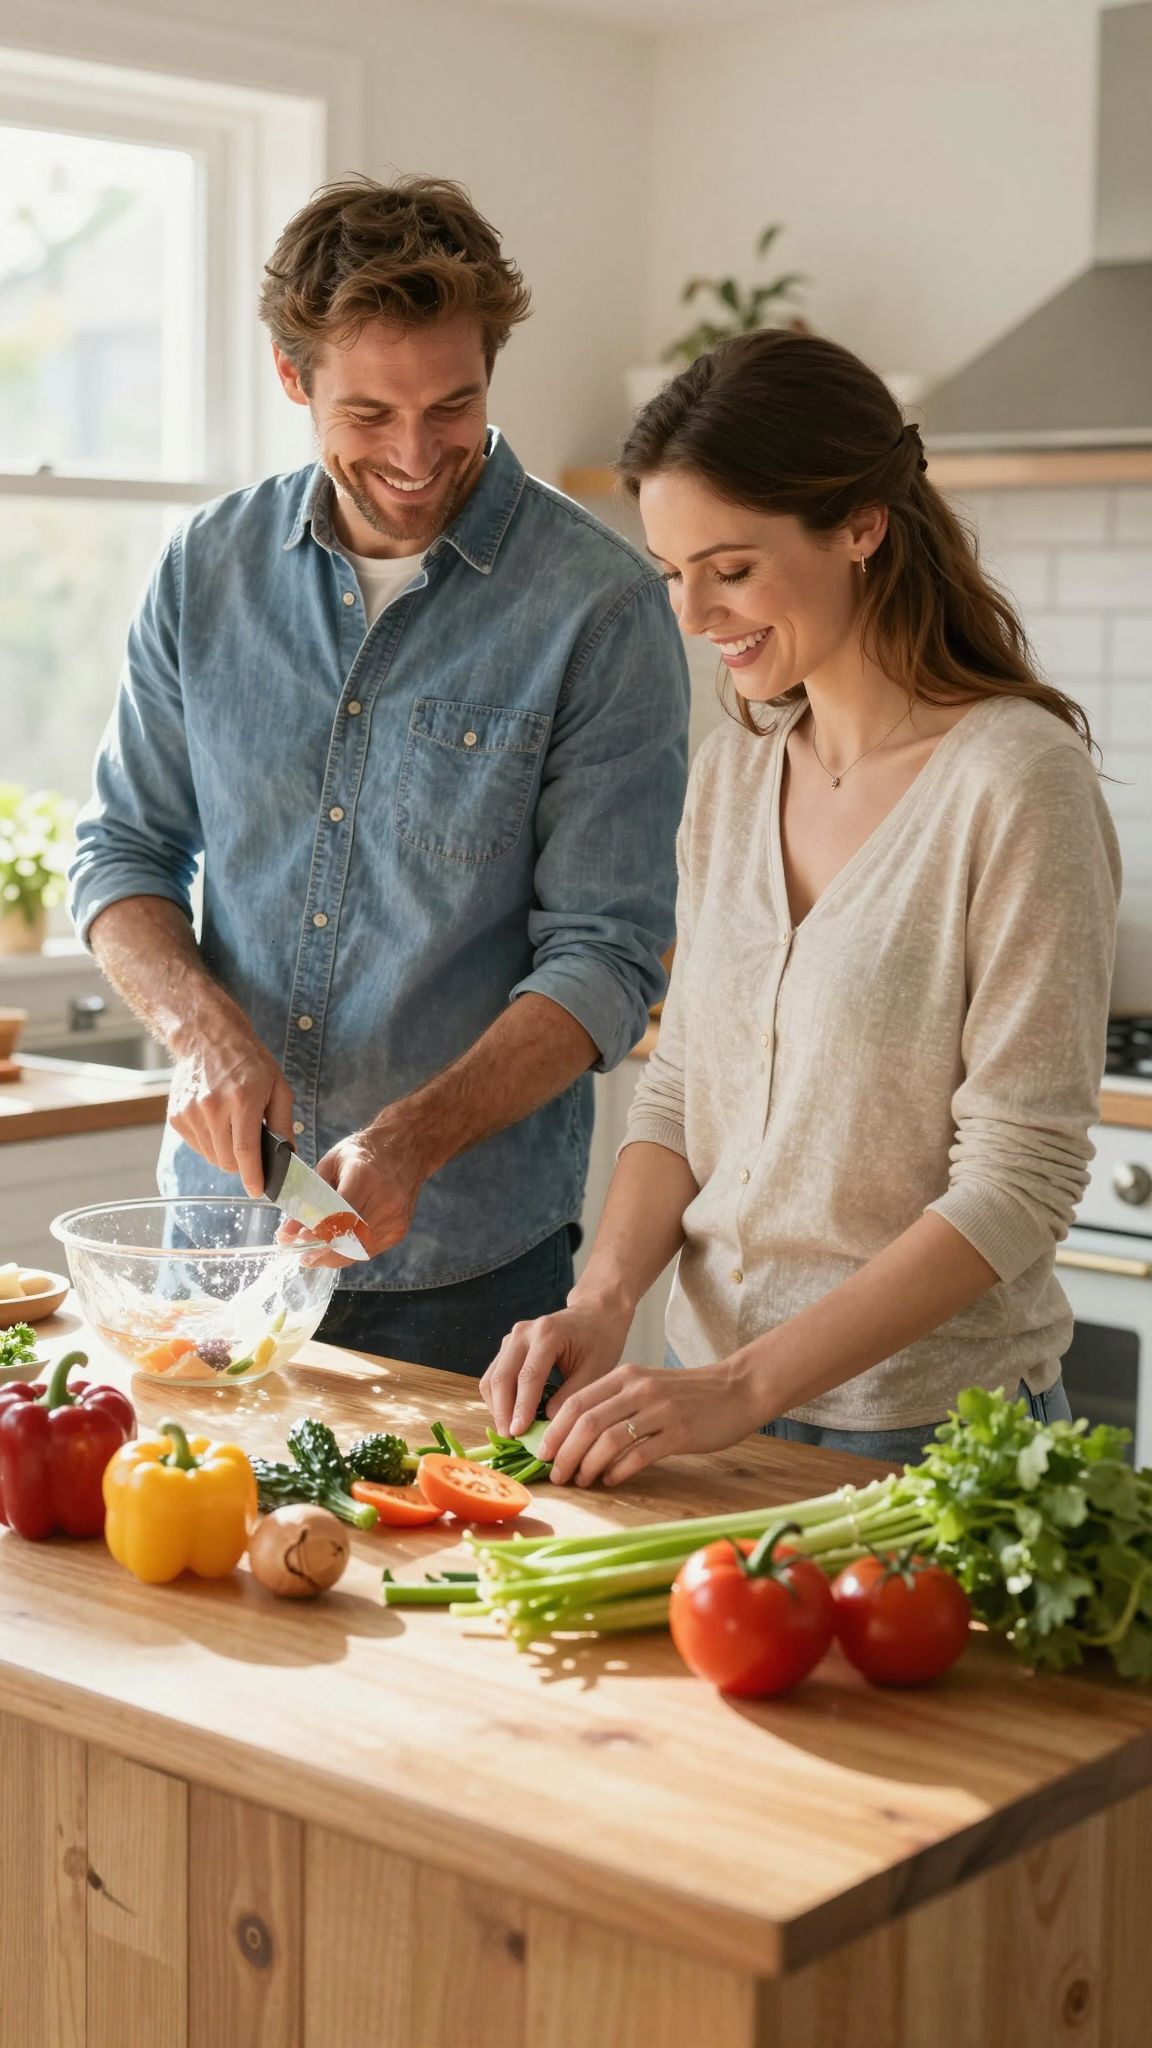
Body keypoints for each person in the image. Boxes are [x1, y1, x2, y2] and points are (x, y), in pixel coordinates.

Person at [69, 175, 689, 1377]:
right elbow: (124, 852)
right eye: (369, 413)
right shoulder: (207, 569)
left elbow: (606, 954)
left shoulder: (601, 608)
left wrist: (416, 1135)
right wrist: (200, 1033)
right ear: (294, 380)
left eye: (453, 405)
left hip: (467, 1273)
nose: (415, 455)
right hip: (215, 1247)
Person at [482, 327, 1120, 1482]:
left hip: (931, 1435)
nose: (693, 613)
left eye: (730, 569)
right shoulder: (735, 770)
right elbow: (681, 1087)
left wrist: (746, 1382)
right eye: (674, 574)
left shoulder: (1017, 781)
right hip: (703, 1410)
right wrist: (605, 1299)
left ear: (861, 525)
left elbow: (1018, 1180)